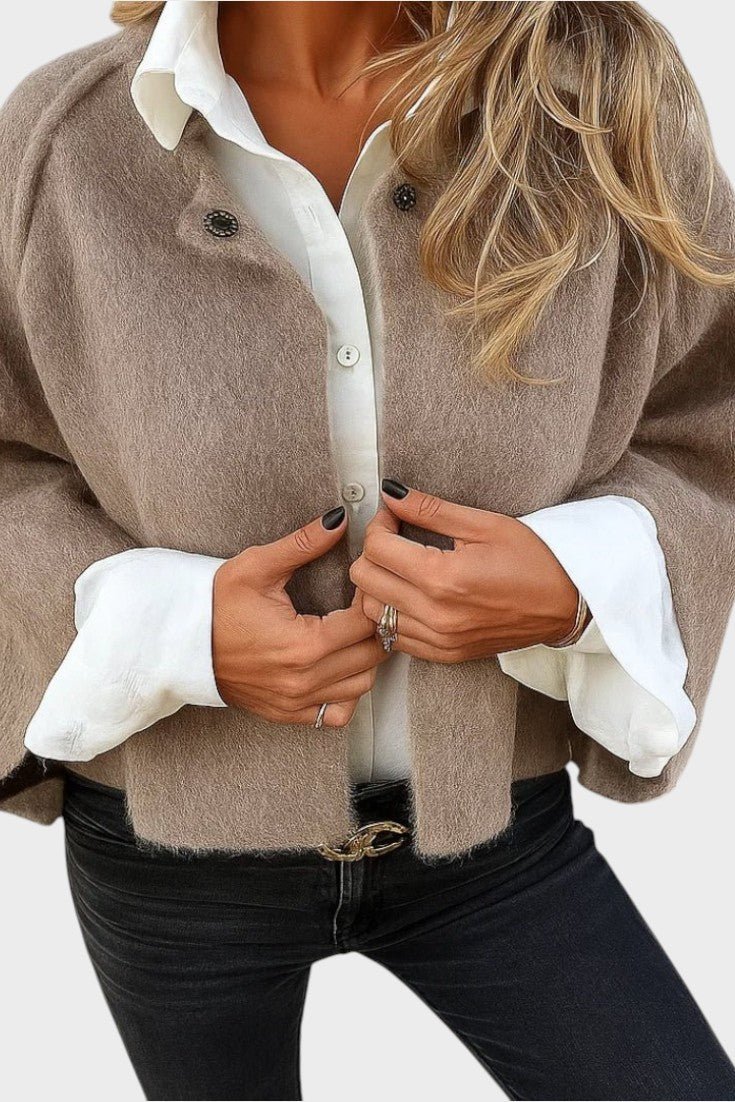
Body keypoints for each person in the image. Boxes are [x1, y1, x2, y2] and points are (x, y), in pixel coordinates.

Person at [1, 2, 734, 1099]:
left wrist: (581, 578)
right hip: (167, 861)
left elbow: (709, 413)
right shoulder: (61, 144)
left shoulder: (594, 116)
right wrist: (173, 629)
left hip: (497, 836)